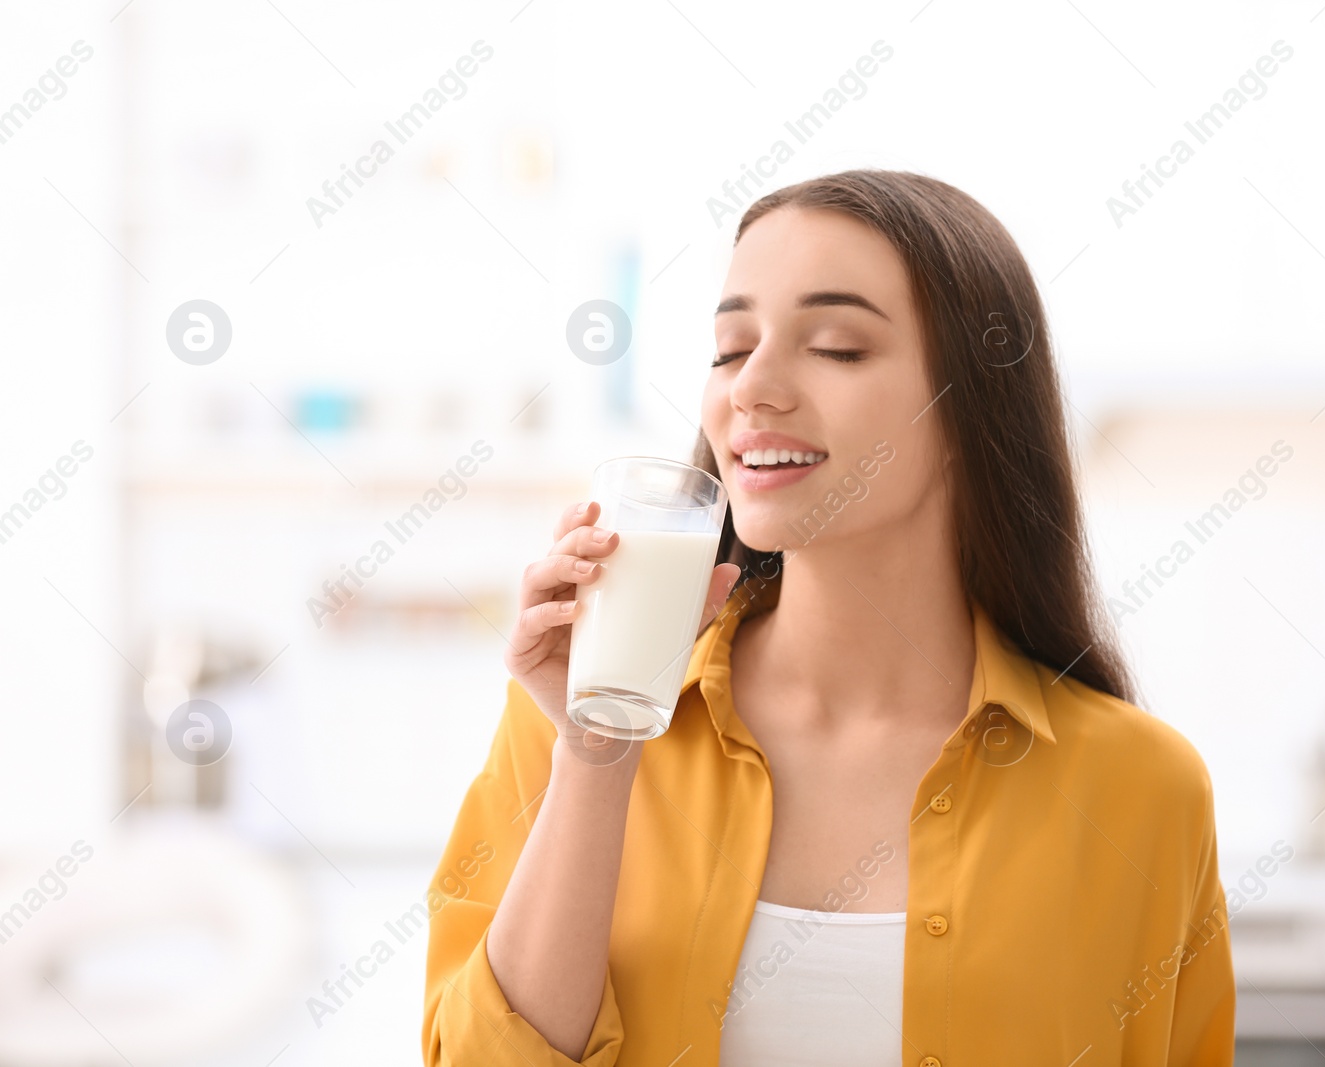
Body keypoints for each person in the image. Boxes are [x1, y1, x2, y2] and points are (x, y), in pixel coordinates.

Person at [422, 170, 1234, 1066]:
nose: (752, 388)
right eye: (730, 349)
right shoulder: (577, 713)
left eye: (838, 347)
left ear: (971, 407)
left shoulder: (1144, 791)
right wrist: (598, 756)